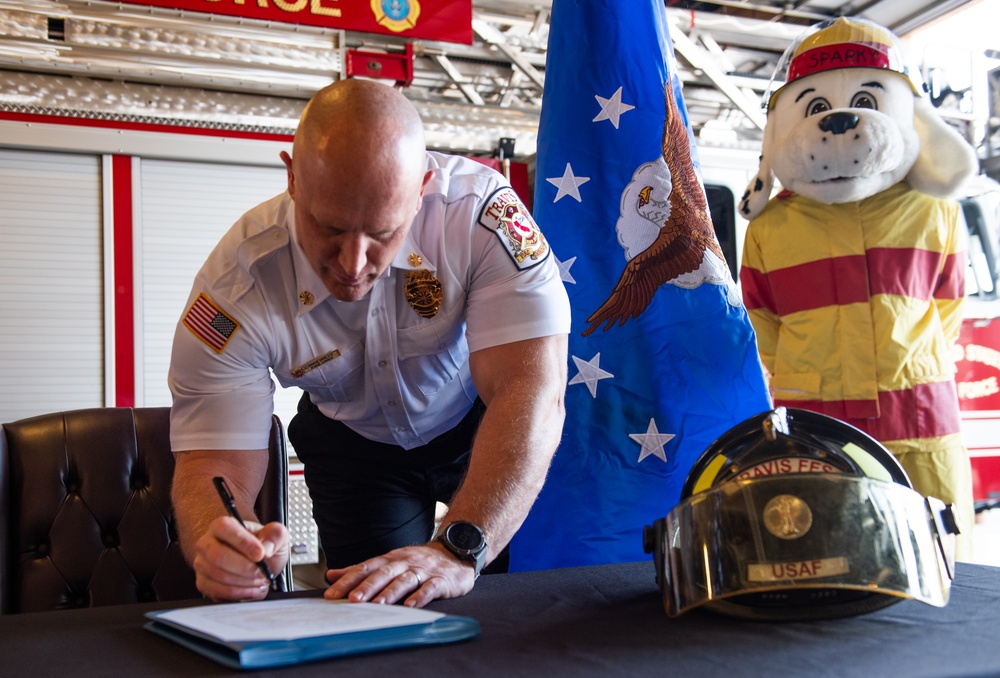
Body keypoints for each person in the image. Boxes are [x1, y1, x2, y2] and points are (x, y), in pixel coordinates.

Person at [168, 78, 571, 607]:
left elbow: (531, 389)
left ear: (422, 188)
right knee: (375, 612)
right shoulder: (236, 287)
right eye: (329, 228)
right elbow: (209, 463)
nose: (353, 266)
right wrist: (218, 538)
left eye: (382, 232)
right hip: (354, 446)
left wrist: (460, 548)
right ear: (292, 178)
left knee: (519, 602)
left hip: (484, 422)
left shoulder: (481, 216)